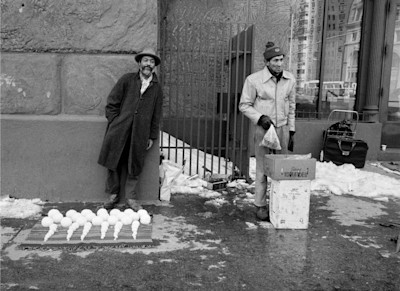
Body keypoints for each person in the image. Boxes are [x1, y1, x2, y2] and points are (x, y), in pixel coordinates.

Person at [98, 48, 163, 210]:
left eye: (152, 61)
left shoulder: (156, 88)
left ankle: (131, 198)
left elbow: (157, 114)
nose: (148, 64)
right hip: (119, 130)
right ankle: (113, 195)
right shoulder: (127, 80)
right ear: (140, 63)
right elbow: (112, 103)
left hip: (140, 133)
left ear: (154, 66)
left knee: (134, 163)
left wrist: (152, 136)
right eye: (146, 60)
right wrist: (115, 122)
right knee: (114, 160)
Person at [239, 42, 296, 221]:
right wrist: (259, 117)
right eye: (275, 60)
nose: (279, 64)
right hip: (264, 130)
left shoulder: (290, 79)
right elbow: (244, 105)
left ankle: (281, 202)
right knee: (263, 168)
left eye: (281, 60)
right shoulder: (253, 80)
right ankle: (260, 205)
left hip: (282, 129)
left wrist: (291, 130)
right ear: (267, 62)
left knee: (282, 168)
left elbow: (292, 106)